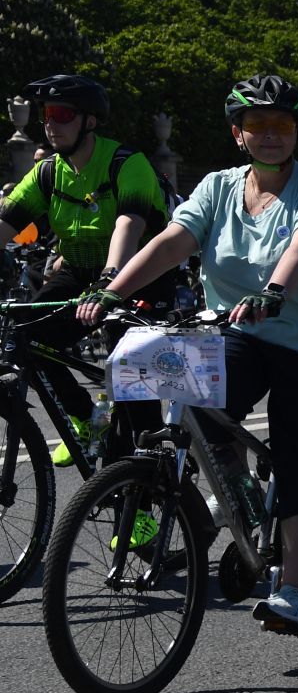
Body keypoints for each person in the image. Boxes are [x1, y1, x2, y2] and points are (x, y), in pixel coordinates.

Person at [78, 75, 298, 632]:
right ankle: (237, 498)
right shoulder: (218, 187)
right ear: (238, 133)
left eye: (283, 125)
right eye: (257, 125)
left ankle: (294, 592)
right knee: (179, 389)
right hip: (246, 329)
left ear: (297, 132)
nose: (270, 135)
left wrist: (273, 293)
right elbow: (172, 242)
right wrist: (112, 292)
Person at [2, 74, 175, 466]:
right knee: (28, 337)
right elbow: (7, 222)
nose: (50, 124)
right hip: (80, 269)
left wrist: (110, 279)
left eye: (62, 114)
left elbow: (128, 225)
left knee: (134, 386)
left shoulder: (126, 163)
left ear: (90, 121)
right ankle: (83, 419)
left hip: (138, 273)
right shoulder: (49, 171)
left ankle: (146, 502)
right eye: (46, 115)